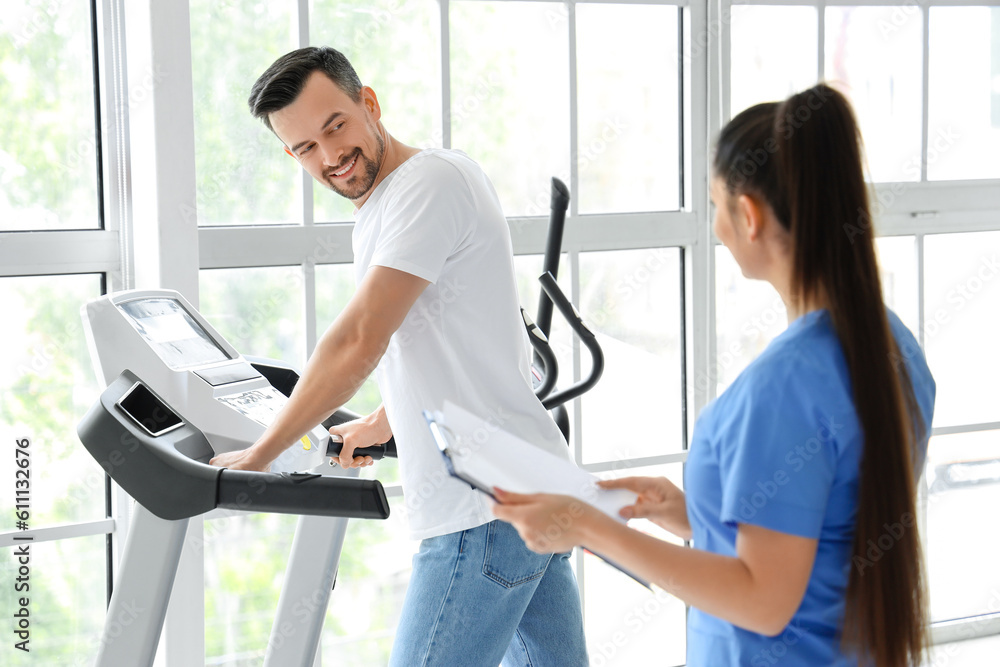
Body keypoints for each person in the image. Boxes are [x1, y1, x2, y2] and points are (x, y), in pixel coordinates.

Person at [493, 83, 935, 667]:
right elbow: (824, 529)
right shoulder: (892, 345)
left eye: (715, 204)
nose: (717, 227)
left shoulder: (783, 390)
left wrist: (588, 529)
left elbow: (763, 599)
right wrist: (687, 509)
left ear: (748, 215)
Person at [207, 46, 587, 666]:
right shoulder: (391, 202)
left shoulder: (427, 184)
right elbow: (467, 337)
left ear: (369, 104)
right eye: (306, 148)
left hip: (480, 512)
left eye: (336, 126)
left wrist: (261, 453)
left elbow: (360, 339)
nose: (330, 156)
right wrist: (386, 420)